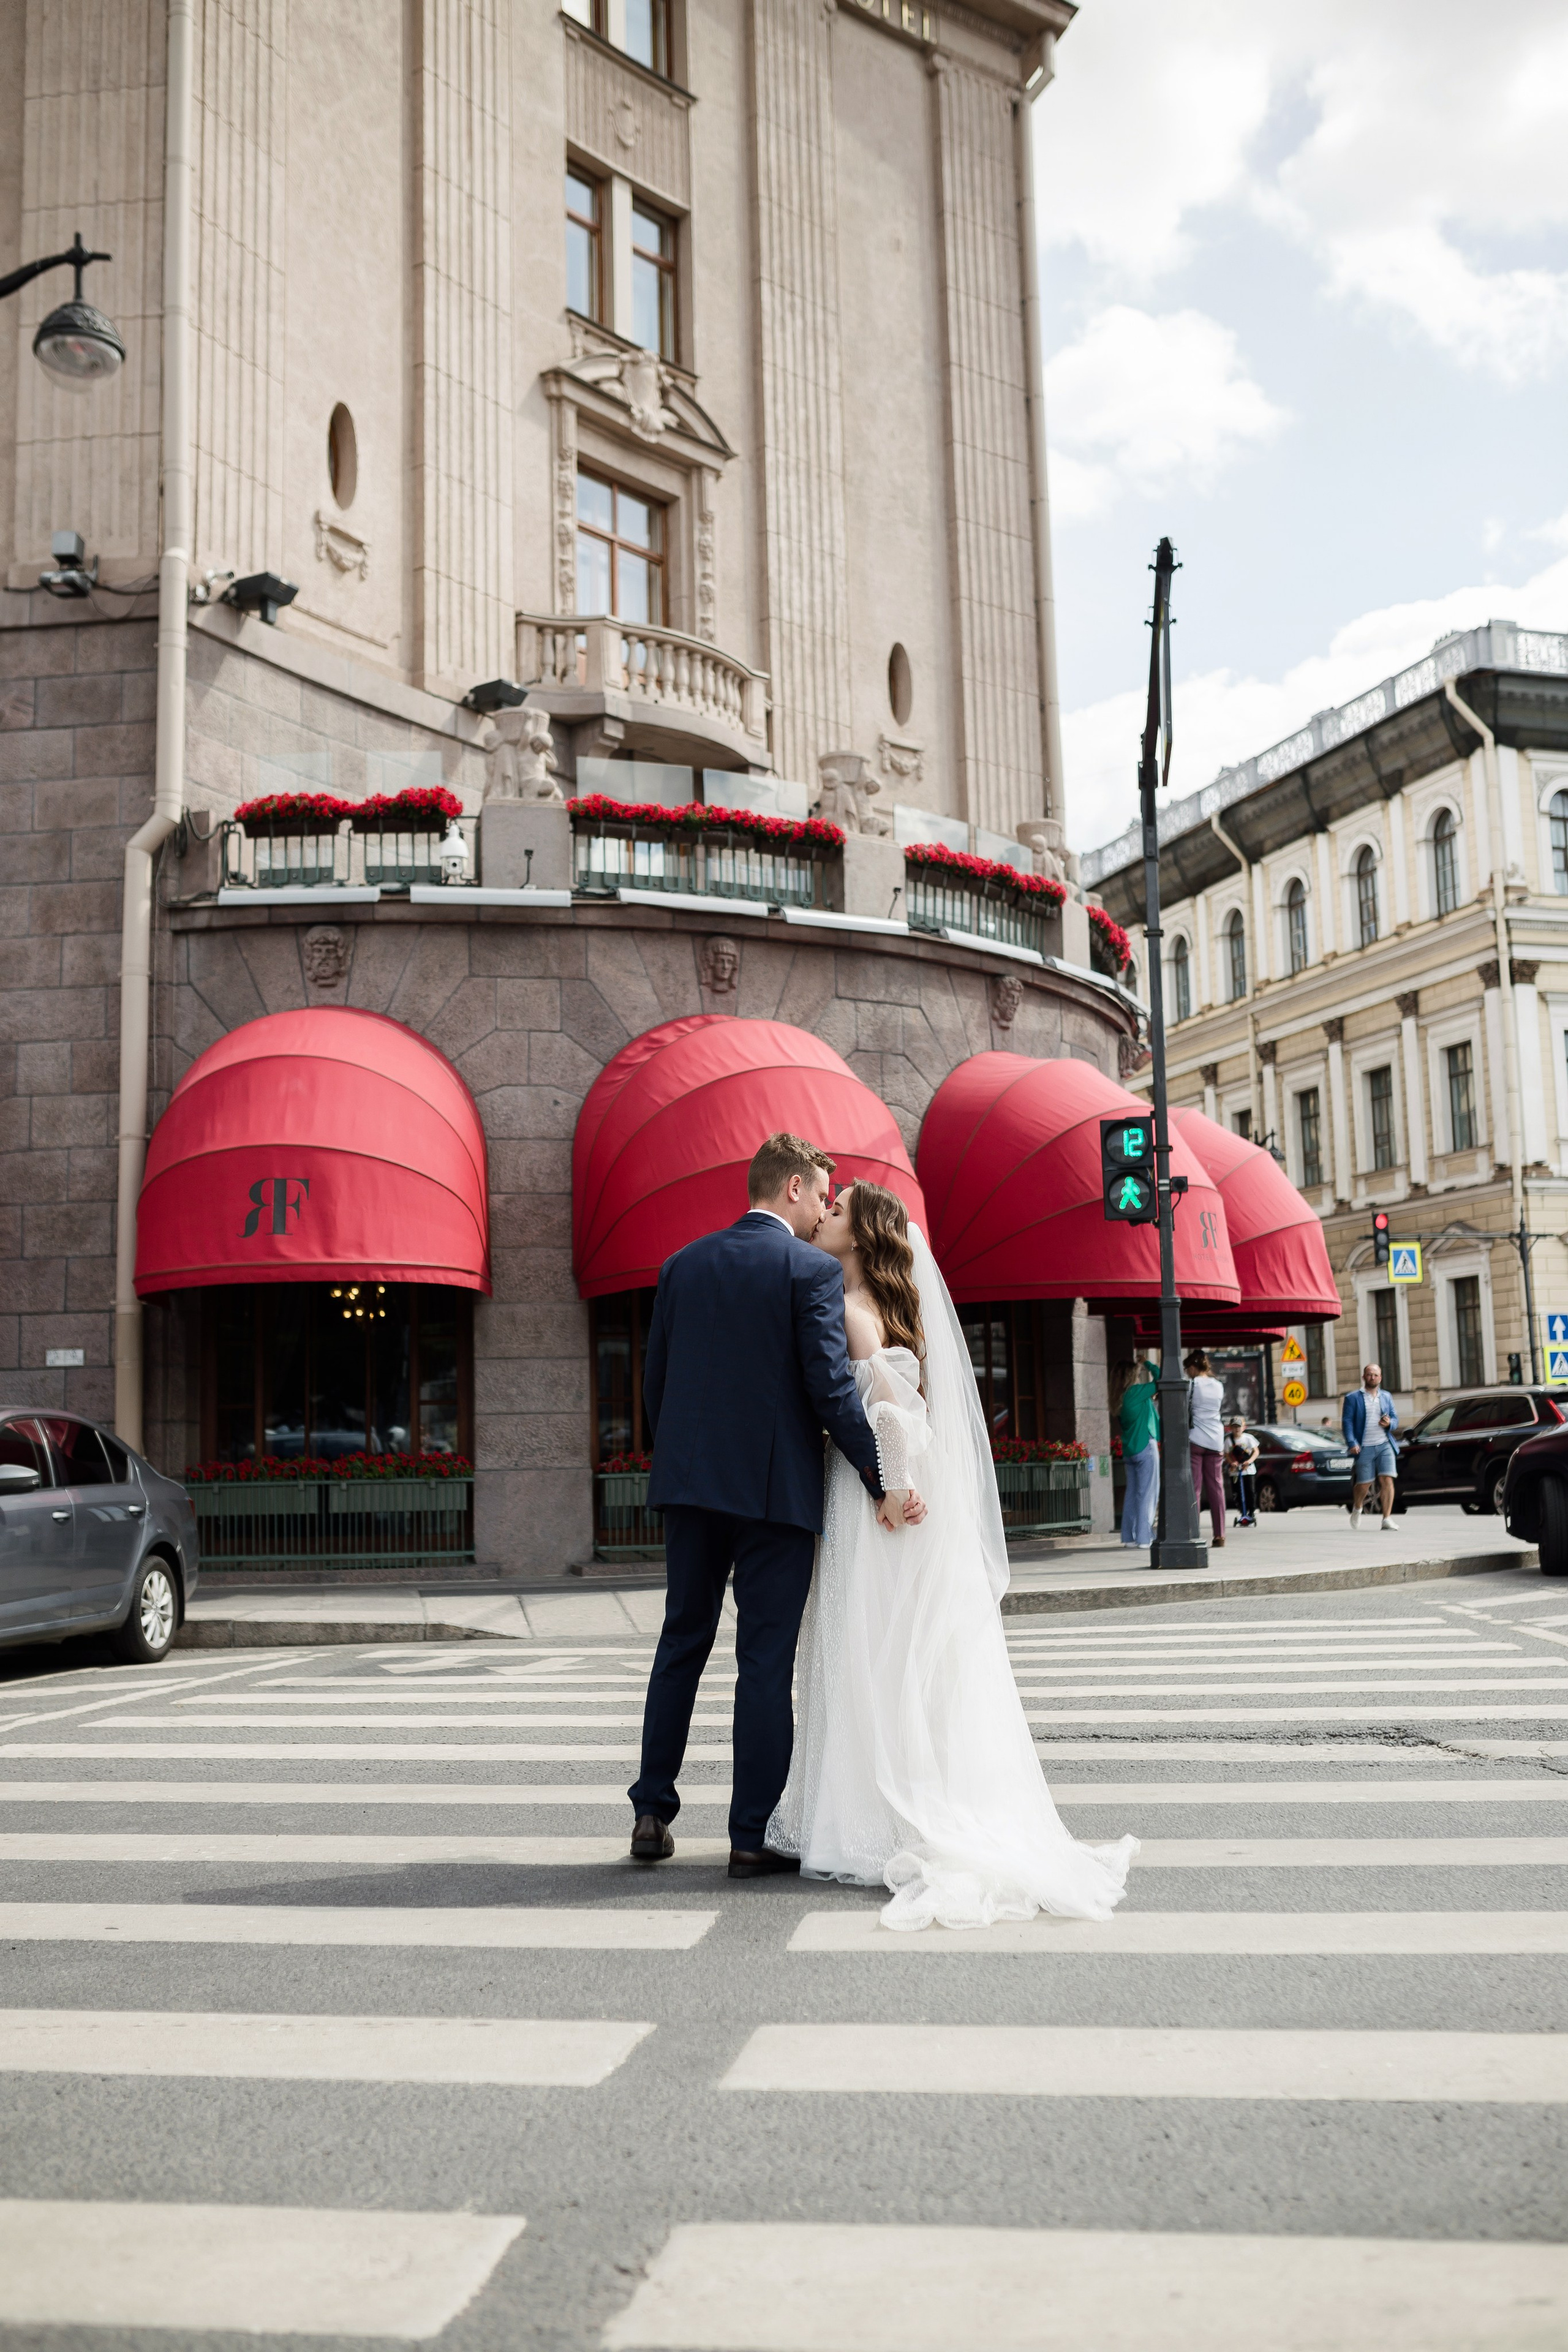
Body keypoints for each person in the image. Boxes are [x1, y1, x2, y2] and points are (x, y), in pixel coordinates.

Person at [767, 1178, 1139, 1931]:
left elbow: (893, 1420)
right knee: (899, 1654)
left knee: (866, 1649)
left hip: (873, 1498)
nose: (825, 1216)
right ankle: (880, 1804)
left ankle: (866, 1819)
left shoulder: (848, 1310)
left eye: (836, 1213)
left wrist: (890, 1489)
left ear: (864, 1238)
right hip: (891, 1493)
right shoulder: (886, 1311)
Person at [627, 1132, 926, 1880]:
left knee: (680, 1644)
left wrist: (684, 1467)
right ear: (793, 1187)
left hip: (691, 1489)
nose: (827, 1206)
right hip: (775, 1494)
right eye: (823, 1193)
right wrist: (876, 1477)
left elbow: (654, 1389)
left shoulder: (680, 1266)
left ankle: (652, 1810)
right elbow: (829, 1389)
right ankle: (748, 1835)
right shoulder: (808, 1272)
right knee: (764, 1662)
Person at [1343, 1360, 1399, 1531]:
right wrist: (1352, 1443)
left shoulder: (1387, 1397)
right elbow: (1347, 1423)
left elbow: (1395, 1419)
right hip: (1364, 1446)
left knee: (1387, 1479)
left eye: (1376, 1375)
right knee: (1364, 1484)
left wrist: (1389, 1424)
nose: (1372, 1378)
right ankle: (1358, 1508)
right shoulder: (1353, 1398)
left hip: (1384, 1444)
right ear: (1364, 1377)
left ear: (1380, 1378)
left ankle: (1387, 1519)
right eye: (1369, 1374)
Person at [1184, 1349, 1228, 1547]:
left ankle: (1194, 1531)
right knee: (1217, 1488)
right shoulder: (1219, 1386)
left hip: (1196, 1439)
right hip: (1216, 1440)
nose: (1187, 1373)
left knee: (1195, 1488)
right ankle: (1220, 1535)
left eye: (1187, 1370)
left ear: (1193, 1367)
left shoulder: (1191, 1385)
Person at [1117, 1360, 1160, 1548]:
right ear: (1131, 1375)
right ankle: (1144, 1538)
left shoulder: (1119, 1397)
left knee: (1132, 1494)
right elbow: (1161, 1378)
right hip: (1145, 1447)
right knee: (1147, 1494)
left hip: (1130, 1450)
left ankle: (1129, 1537)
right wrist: (1148, 1364)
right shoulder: (1136, 1392)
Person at [1226, 1415, 1260, 1527]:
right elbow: (1227, 1454)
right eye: (1234, 1427)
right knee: (1238, 1492)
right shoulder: (1228, 1441)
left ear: (1244, 1427)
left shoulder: (1248, 1438)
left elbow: (1256, 1452)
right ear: (1230, 1428)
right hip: (1235, 1472)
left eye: (1239, 1427)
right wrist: (1232, 1463)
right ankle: (1242, 1511)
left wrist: (1249, 1462)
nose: (1237, 1429)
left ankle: (1251, 1512)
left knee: (1250, 1491)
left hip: (1248, 1471)